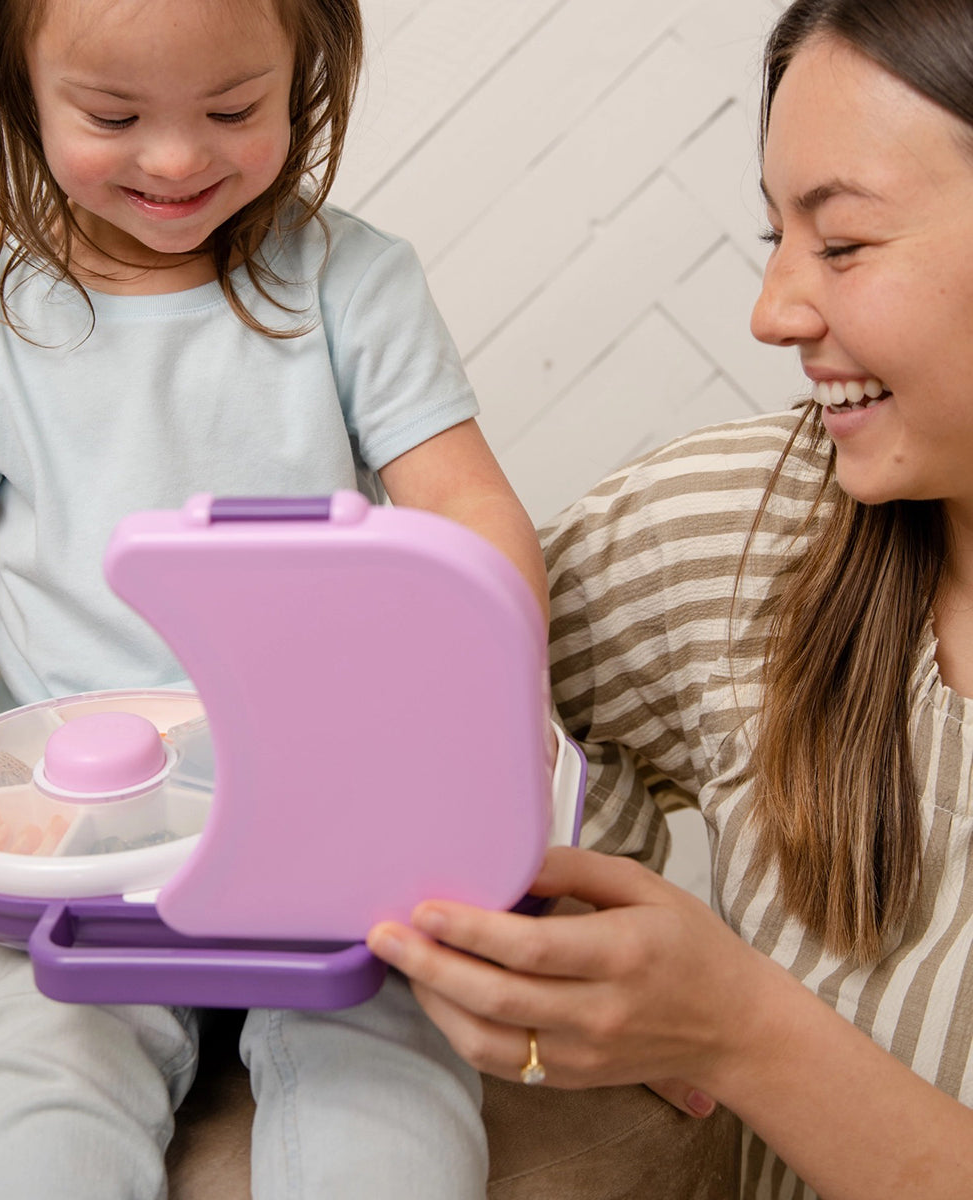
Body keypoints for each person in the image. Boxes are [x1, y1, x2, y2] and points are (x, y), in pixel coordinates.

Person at [0, 1, 549, 1197]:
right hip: (75, 830)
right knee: (43, 1068)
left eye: (234, 110)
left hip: (326, 802)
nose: (177, 160)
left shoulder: (351, 282)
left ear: (305, 77)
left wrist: (486, 718)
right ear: (15, 90)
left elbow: (470, 514)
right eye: (113, 116)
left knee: (386, 1063)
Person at [366, 1, 973, 1196]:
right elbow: (429, 690)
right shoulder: (748, 523)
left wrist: (737, 1028)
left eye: (842, 244)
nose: (774, 311)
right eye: (775, 235)